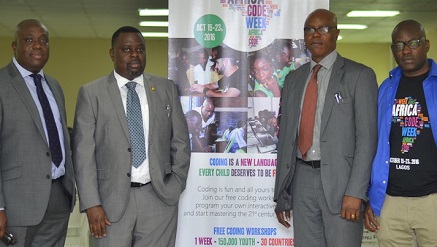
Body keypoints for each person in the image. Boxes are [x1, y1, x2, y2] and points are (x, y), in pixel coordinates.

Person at [73, 26, 191, 247]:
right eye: (126, 49)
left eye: (140, 49)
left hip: (158, 200)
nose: (135, 54)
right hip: (109, 204)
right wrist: (91, 204)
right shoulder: (92, 93)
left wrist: (175, 184)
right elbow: (83, 154)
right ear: (112, 54)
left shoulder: (165, 88)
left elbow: (181, 142)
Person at [273, 9, 378, 247]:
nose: (316, 34)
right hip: (301, 181)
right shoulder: (293, 79)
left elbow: (367, 138)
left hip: (343, 186)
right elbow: (287, 139)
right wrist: (282, 193)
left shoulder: (359, 76)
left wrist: (356, 192)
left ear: (337, 33)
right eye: (310, 29)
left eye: (324, 28)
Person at [0, 19, 76, 246]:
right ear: (15, 46)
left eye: (43, 40)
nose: (37, 45)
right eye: (29, 40)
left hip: (58, 198)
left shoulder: (54, 86)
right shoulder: (2, 83)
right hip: (16, 205)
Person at [364, 20, 437, 246]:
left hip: (432, 200)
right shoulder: (386, 88)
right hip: (390, 201)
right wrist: (371, 197)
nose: (405, 50)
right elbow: (374, 142)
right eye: (398, 45)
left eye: (412, 43)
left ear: (426, 44)